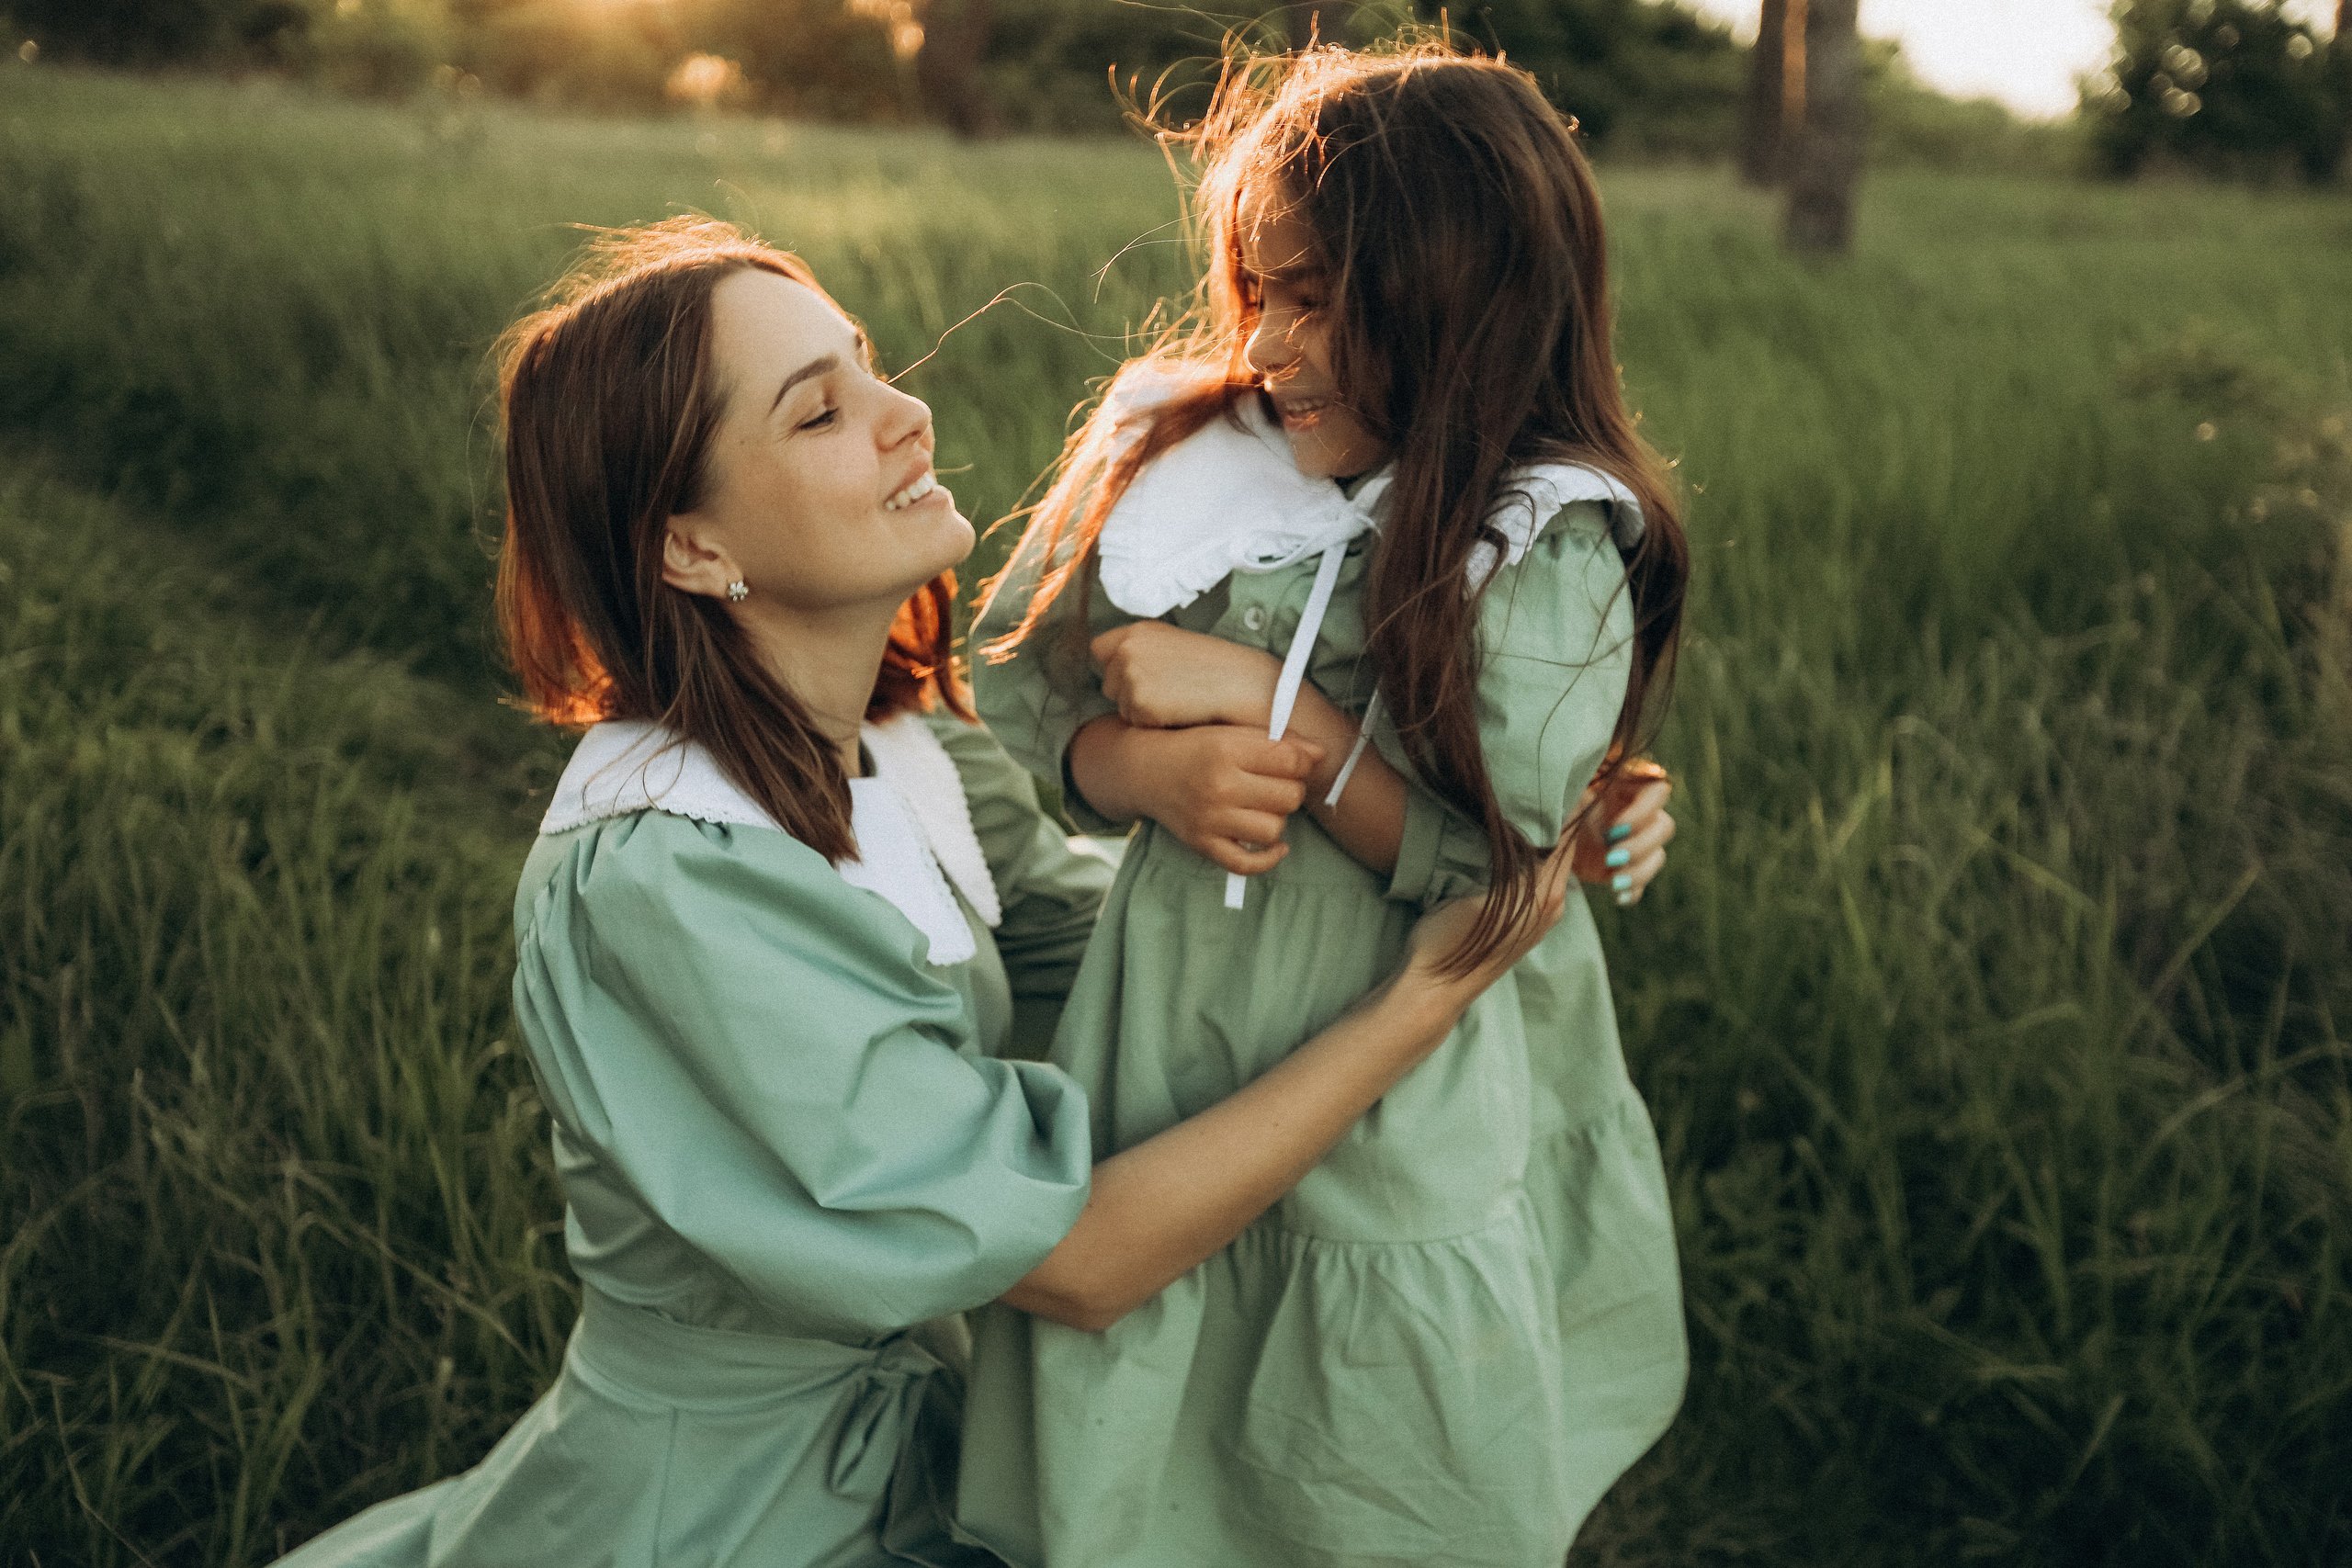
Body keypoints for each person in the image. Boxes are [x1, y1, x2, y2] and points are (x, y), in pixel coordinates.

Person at [269, 218, 1608, 1568]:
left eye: (869, 364)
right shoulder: (669, 876)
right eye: (820, 413)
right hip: (728, 1511)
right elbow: (1080, 1262)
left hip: (937, 1435)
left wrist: (1501, 801)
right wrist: (1422, 1000)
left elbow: (1118, 949)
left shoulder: (901, 748)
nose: (907, 414)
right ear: (687, 549)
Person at [959, 45, 1690, 1568]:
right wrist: (1141, 768)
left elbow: (1482, 873)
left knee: (1369, 1435)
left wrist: (1275, 707)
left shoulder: (1530, 538)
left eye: (1318, 300)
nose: (1273, 343)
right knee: (1168, 1386)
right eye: (1256, 290)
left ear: (1463, 302)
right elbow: (1039, 719)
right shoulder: (1195, 455)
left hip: (1399, 1063)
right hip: (1180, 1031)